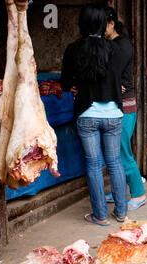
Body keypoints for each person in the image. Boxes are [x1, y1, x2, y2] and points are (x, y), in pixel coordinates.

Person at [61, 4, 128, 226]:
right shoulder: (115, 49)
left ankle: (100, 215)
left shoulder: (73, 49)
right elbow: (115, 78)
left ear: (82, 23)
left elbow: (65, 83)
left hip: (87, 113)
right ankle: (121, 212)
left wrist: (74, 86)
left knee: (93, 164)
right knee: (115, 161)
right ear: (103, 23)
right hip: (113, 113)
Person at [104, 6, 147, 211]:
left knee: (122, 152)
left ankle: (139, 194)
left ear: (111, 24)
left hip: (125, 106)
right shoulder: (114, 44)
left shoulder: (121, 46)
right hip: (119, 104)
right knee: (115, 153)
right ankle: (119, 191)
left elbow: (111, 74)